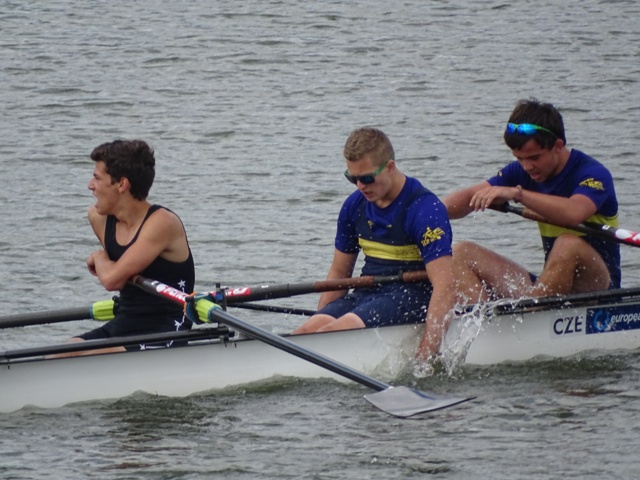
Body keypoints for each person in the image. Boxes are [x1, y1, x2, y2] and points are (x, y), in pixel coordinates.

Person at [292, 127, 456, 360]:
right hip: (367, 292)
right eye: (353, 178)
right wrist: (321, 318)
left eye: (367, 178)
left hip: (412, 296)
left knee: (336, 330)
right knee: (306, 332)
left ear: (390, 167)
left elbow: (446, 287)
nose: (360, 186)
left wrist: (426, 358)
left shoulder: (425, 210)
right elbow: (339, 275)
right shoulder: (354, 206)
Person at [443, 98, 620, 304]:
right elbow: (468, 197)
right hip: (552, 288)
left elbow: (574, 213)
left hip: (601, 289)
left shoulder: (593, 173)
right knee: (461, 253)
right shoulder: (521, 172)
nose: (527, 167)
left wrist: (518, 195)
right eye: (519, 158)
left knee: (568, 244)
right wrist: (428, 214)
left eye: (535, 158)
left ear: (558, 146)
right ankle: (482, 320)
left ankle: (530, 314)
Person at [66, 139, 195, 355]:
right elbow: (117, 271)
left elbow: (112, 279)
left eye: (97, 178)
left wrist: (99, 257)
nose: (90, 185)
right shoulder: (98, 218)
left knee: (89, 355)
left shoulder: (162, 223)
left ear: (122, 184)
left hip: (166, 330)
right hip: (125, 322)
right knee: (65, 351)